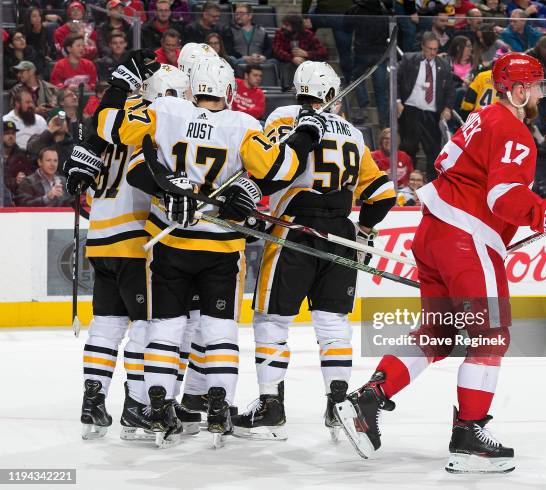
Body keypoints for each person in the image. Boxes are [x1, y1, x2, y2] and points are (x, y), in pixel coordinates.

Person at [334, 52, 546, 473]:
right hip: (466, 238)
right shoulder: (512, 128)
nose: (539, 93)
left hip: (434, 233)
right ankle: (469, 438)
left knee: (437, 332)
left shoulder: (481, 118)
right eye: (535, 85)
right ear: (517, 89)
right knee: (490, 336)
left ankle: (368, 400)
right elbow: (501, 197)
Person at [88, 52, 324, 448]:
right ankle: (218, 404)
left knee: (165, 328)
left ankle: (159, 403)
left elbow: (111, 129)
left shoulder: (165, 110)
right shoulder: (244, 124)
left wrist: (117, 91)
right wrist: (306, 135)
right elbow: (276, 170)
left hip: (170, 242)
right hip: (220, 246)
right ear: (229, 91)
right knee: (219, 329)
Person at [231, 61, 396, 442]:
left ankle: (271, 406)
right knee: (333, 323)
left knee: (272, 321)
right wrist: (365, 231)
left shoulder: (283, 117)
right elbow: (382, 194)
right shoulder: (354, 133)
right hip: (340, 231)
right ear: (333, 92)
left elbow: (269, 169)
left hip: (293, 230)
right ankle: (338, 406)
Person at [64, 59, 202, 441]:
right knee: (145, 328)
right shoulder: (153, 121)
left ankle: (93, 403)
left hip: (101, 238)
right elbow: (153, 172)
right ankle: (136, 408)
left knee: (106, 327)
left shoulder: (111, 120)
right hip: (138, 242)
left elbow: (84, 164)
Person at [397, 32, 455, 181]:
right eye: (429, 48)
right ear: (422, 47)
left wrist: (448, 107)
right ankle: (405, 182)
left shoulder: (444, 65)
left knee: (434, 150)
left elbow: (450, 88)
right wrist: (397, 101)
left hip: (432, 113)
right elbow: (394, 79)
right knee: (409, 148)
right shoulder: (409, 60)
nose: (432, 52)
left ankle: (432, 183)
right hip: (411, 110)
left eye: (435, 49)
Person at [344, 0, 392, 126]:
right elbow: (388, 29)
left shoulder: (356, 9)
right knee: (381, 90)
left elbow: (346, 26)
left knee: (357, 79)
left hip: (362, 52)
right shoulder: (382, 9)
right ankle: (384, 123)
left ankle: (363, 102)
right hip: (379, 54)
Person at [272, 14, 328, 92]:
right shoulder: (280, 33)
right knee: (287, 65)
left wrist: (306, 54)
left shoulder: (308, 34)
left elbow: (323, 52)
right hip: (286, 64)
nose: (283, 27)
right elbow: (277, 50)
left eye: (287, 25)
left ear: (295, 26)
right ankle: (289, 90)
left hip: (305, 64)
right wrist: (292, 58)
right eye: (284, 24)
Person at [302, 0, 353, 83]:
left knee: (303, 34)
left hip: (322, 13)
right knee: (345, 52)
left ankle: (302, 67)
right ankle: (349, 79)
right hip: (343, 16)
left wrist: (304, 16)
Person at [223, 3, 273, 67]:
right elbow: (228, 50)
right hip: (238, 65)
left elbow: (269, 49)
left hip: (258, 66)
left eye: (241, 14)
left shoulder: (261, 31)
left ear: (250, 15)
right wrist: (243, 58)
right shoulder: (229, 31)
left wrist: (263, 57)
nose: (238, 16)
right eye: (236, 14)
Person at [3, 120, 36, 195]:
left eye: (13, 133)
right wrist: (15, 181)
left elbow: (31, 174)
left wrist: (24, 178)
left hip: (18, 196)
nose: (11, 136)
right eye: (7, 133)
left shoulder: (22, 154)